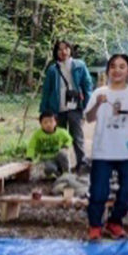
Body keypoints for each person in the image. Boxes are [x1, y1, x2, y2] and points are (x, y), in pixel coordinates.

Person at [83, 54, 128, 240]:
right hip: (103, 149)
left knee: (127, 191)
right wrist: (97, 104)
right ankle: (95, 225)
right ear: (108, 70)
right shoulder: (99, 93)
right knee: (98, 191)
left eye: (122, 66)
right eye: (113, 66)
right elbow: (88, 118)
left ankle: (115, 222)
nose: (117, 70)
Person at [39, 39, 94, 173]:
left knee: (77, 136)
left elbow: (87, 85)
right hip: (57, 109)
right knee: (58, 138)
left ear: (70, 50)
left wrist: (88, 105)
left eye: (66, 48)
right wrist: (43, 111)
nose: (63, 52)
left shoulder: (79, 65)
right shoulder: (52, 69)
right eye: (60, 49)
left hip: (75, 107)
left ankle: (82, 164)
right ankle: (61, 166)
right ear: (56, 52)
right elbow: (46, 91)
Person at [27, 113, 73, 178]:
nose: (48, 124)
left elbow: (69, 139)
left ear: (56, 122)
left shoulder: (61, 132)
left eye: (51, 122)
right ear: (41, 124)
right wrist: (29, 157)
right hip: (47, 158)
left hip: (58, 155)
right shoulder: (37, 134)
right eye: (45, 122)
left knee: (63, 153)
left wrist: (66, 145)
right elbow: (31, 146)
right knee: (49, 169)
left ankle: (67, 173)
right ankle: (58, 174)